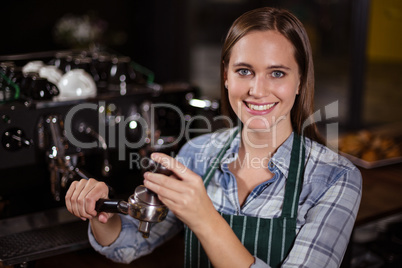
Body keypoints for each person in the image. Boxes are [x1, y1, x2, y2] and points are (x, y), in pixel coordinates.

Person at [65, 7, 362, 268]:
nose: (257, 90)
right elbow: (129, 245)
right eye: (244, 71)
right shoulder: (197, 154)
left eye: (277, 73)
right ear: (226, 76)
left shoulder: (334, 177)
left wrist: (205, 219)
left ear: (300, 79)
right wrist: (101, 212)